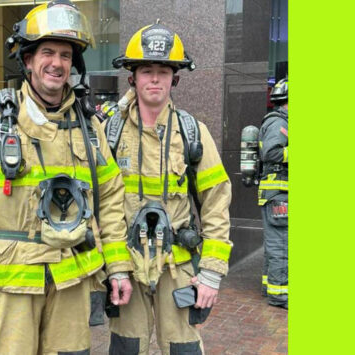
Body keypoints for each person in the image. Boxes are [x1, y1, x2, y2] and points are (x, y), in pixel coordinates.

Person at [0, 1, 133, 354]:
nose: (56, 63)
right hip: (10, 286)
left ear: (74, 64)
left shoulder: (90, 128)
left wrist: (118, 268)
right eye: (47, 52)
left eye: (65, 55)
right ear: (27, 59)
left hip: (71, 283)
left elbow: (112, 200)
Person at [103, 22, 233, 354]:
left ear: (175, 77)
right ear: (132, 77)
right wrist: (112, 267)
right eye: (147, 70)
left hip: (178, 269)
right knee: (126, 349)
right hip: (126, 268)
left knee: (183, 349)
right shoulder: (109, 132)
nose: (155, 79)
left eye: (164, 70)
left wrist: (211, 274)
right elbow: (98, 204)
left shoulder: (193, 132)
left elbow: (216, 202)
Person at [258, 78, 288, 309]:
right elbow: (271, 153)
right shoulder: (279, 123)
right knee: (282, 244)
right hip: (279, 193)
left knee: (275, 242)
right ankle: (280, 294)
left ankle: (271, 286)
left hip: (276, 192)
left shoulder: (277, 122)